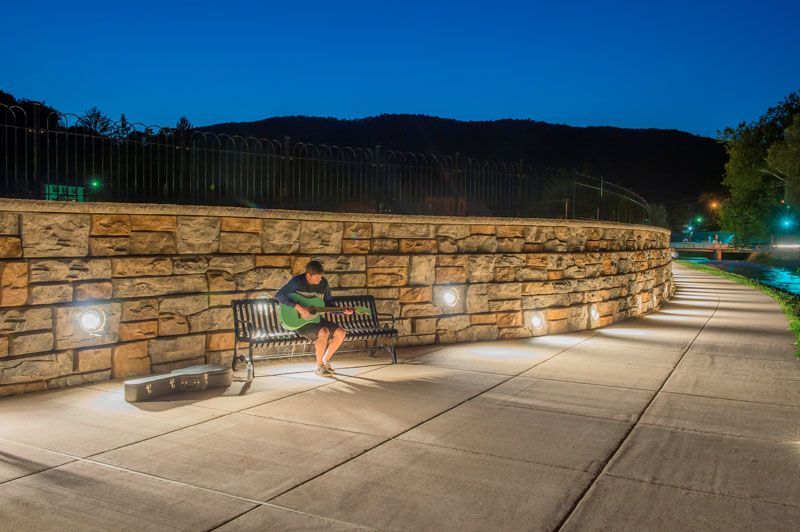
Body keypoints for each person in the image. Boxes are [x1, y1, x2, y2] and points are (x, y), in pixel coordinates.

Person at [274, 260, 352, 376]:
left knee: (341, 332)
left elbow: (328, 304)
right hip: (298, 321)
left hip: (315, 319)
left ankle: (326, 361)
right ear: (308, 275)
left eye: (321, 276)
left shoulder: (323, 284)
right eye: (318, 276)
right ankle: (319, 367)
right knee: (323, 331)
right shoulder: (297, 282)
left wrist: (342, 312)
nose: (320, 279)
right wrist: (299, 308)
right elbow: (279, 295)